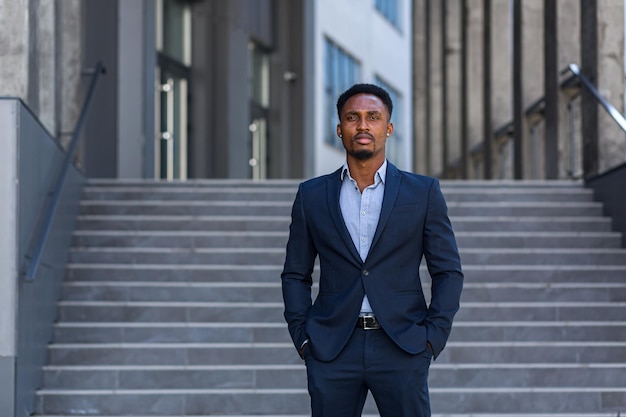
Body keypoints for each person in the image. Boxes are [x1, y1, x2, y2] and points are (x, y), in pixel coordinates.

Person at [281, 83, 464, 417]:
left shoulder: (422, 193)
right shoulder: (312, 195)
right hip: (333, 346)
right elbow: (295, 273)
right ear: (340, 129)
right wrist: (303, 337)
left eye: (373, 117)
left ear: (388, 128)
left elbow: (448, 271)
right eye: (353, 117)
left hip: (402, 345)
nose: (362, 125)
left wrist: (432, 337)